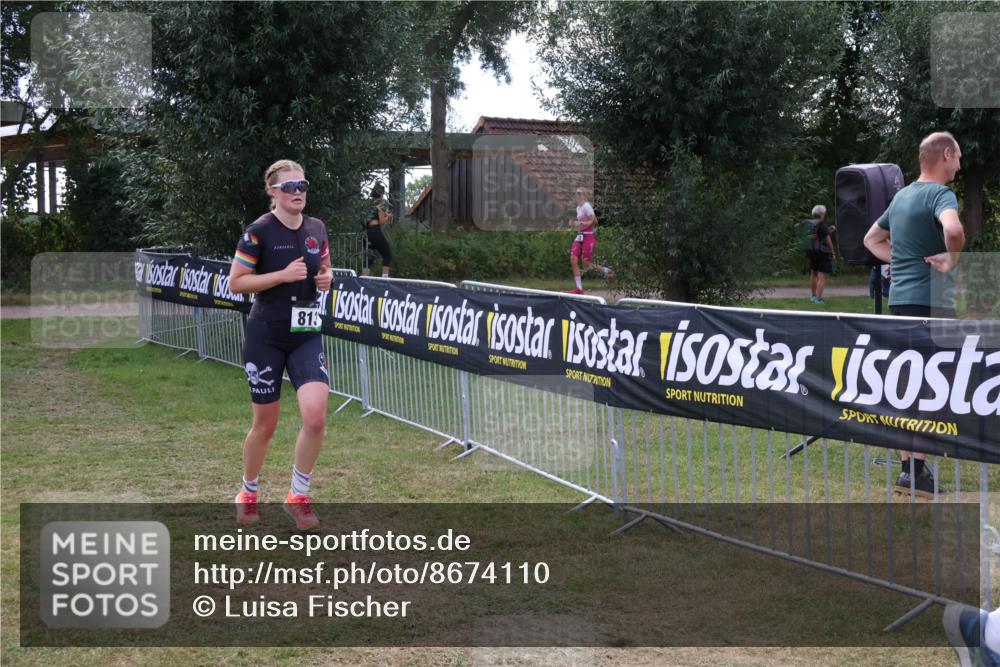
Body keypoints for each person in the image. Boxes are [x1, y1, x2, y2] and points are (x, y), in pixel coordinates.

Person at [229, 159, 333, 530]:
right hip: (266, 336)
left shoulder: (316, 227)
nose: (298, 192)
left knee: (316, 416)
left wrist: (326, 278)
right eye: (290, 187)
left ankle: (298, 496)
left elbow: (325, 265)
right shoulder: (258, 232)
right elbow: (237, 283)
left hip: (305, 333)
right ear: (273, 192)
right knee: (266, 425)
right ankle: (248, 492)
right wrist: (281, 276)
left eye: (303, 185)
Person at [863, 131, 965, 498]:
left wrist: (902, 261)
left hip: (899, 302)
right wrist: (952, 259)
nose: (960, 164)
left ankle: (909, 470)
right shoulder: (941, 194)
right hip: (931, 303)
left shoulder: (902, 196)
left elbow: (870, 240)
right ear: (946, 154)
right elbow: (953, 228)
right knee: (929, 387)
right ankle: (916, 472)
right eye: (958, 157)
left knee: (904, 385)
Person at [568, 187, 614, 294]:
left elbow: (595, 221)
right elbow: (575, 224)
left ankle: (608, 271)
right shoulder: (578, 208)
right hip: (580, 236)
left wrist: (582, 224)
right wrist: (572, 223)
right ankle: (579, 289)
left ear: (584, 195)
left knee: (586, 265)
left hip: (588, 237)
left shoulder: (586, 206)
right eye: (576, 194)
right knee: (573, 259)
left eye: (580, 194)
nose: (578, 196)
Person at [802, 205, 836, 304]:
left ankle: (813, 296)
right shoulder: (822, 225)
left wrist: (829, 230)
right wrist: (833, 251)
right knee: (822, 276)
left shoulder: (810, 224)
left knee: (813, 273)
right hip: (822, 253)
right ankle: (818, 299)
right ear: (822, 214)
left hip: (812, 253)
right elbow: (828, 240)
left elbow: (817, 236)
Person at [361, 183, 393, 277]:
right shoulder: (380, 204)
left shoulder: (366, 203)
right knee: (387, 255)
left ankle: (364, 280)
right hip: (375, 232)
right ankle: (384, 279)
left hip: (366, 233)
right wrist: (388, 217)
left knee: (368, 258)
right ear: (381, 193)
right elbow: (382, 221)